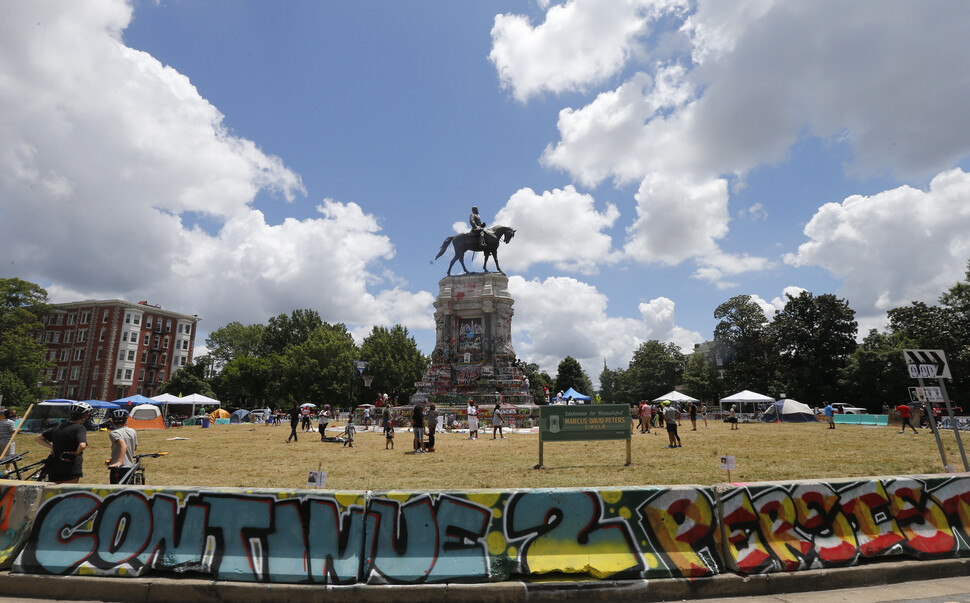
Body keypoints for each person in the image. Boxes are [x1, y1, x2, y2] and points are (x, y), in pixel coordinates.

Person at [35, 401, 91, 484]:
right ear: (85, 415)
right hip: (70, 466)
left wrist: (51, 447)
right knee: (68, 493)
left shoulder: (60, 426)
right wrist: (76, 453)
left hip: (55, 466)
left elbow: (38, 438)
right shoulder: (79, 428)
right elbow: (82, 445)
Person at [107, 409, 138, 484]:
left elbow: (124, 446)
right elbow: (135, 447)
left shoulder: (114, 433)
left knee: (116, 491)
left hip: (119, 468)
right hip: (130, 466)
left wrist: (119, 461)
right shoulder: (132, 431)